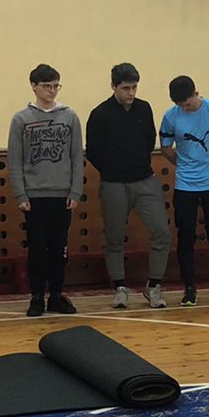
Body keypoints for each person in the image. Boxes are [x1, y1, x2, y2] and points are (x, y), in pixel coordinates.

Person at [86, 63, 169, 310]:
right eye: (126, 88)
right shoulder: (100, 114)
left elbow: (149, 140)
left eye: (134, 87)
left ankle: (154, 286)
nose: (131, 93)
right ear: (114, 87)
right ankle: (120, 287)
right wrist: (112, 169)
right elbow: (93, 151)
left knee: (161, 231)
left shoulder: (144, 108)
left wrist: (137, 162)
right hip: (114, 182)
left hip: (144, 178)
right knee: (114, 236)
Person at [8, 64, 84, 317]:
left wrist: (75, 191)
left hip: (62, 194)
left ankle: (57, 294)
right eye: (47, 86)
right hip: (34, 195)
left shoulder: (69, 116)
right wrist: (20, 194)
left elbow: (76, 156)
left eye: (55, 86)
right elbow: (15, 159)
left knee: (59, 248)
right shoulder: (21, 119)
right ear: (34, 86)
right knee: (37, 248)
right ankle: (37, 295)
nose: (52, 91)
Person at [160, 76, 209, 306]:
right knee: (185, 236)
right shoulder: (171, 116)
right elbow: (166, 148)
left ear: (196, 93)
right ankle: (189, 288)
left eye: (187, 104)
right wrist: (184, 165)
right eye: (180, 105)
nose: (184, 108)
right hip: (185, 185)